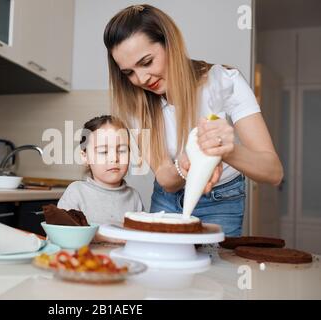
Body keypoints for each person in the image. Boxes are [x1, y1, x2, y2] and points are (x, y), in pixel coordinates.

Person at [103, 4, 283, 236]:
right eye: (128, 72)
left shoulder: (225, 82)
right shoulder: (137, 102)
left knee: (216, 271)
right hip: (166, 201)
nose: (141, 79)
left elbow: (273, 172)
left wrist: (224, 151)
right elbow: (166, 179)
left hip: (222, 201)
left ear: (171, 43)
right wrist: (188, 161)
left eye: (147, 62)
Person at [57, 115, 144, 233]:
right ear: (85, 157)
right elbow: (61, 234)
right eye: (103, 151)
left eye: (122, 150)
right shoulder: (76, 192)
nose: (114, 158)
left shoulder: (134, 197)